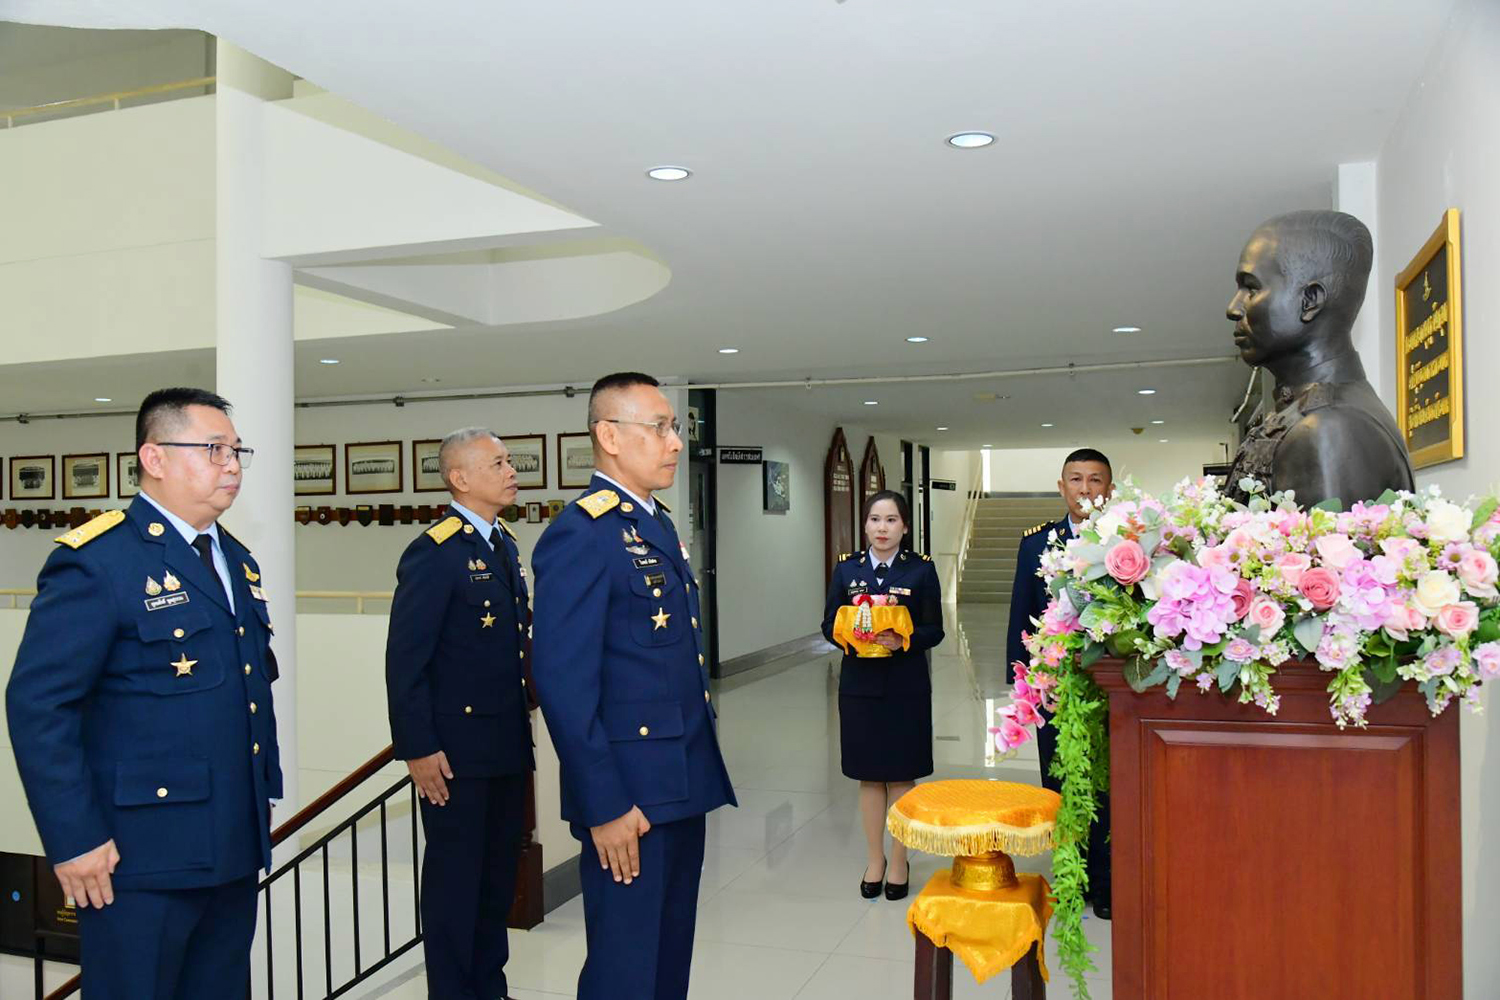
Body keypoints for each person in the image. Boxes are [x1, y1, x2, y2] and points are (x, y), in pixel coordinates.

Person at [5, 388, 281, 999]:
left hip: (230, 844)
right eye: (214, 449)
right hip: (137, 856)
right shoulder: (100, 561)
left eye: (237, 451)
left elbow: (248, 692)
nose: (232, 466)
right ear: (154, 458)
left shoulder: (235, 560)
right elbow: (39, 706)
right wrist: (75, 838)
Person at [531, 372, 735, 1000]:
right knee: (625, 969)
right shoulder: (581, 532)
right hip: (629, 797)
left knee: (669, 960)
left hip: (680, 780)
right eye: (660, 428)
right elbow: (562, 684)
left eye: (675, 428)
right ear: (610, 436)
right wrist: (605, 805)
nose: (675, 442)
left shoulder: (655, 522)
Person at [385, 427, 534, 1000]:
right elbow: (406, 660)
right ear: (460, 478)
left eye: (508, 461)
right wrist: (418, 748)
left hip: (505, 744)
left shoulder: (504, 544)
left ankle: (488, 988)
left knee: (496, 881)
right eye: (497, 463)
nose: (511, 471)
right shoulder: (435, 552)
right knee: (455, 885)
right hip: (454, 756)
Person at [1224, 210, 1414, 506]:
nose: (1233, 308)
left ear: (1310, 300)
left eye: (1252, 288)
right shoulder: (1309, 413)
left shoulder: (1329, 429)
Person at [1005, 447, 1113, 918]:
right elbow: (1021, 616)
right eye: (1076, 479)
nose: (1085, 489)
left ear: (1109, 488)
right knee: (1059, 783)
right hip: (1054, 686)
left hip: (1109, 686)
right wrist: (1022, 684)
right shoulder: (1036, 544)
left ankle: (1106, 882)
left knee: (1106, 783)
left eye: (1095, 479)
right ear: (1061, 486)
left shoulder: (1125, 540)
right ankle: (1071, 878)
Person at [822, 490, 943, 901]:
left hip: (905, 684)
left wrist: (903, 639)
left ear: (905, 526)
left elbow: (935, 630)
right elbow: (828, 623)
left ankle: (899, 860)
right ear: (865, 524)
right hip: (860, 685)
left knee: (902, 775)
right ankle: (875, 859)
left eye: (891, 520)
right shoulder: (846, 570)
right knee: (870, 775)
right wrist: (849, 635)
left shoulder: (921, 570)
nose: (882, 528)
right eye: (875, 519)